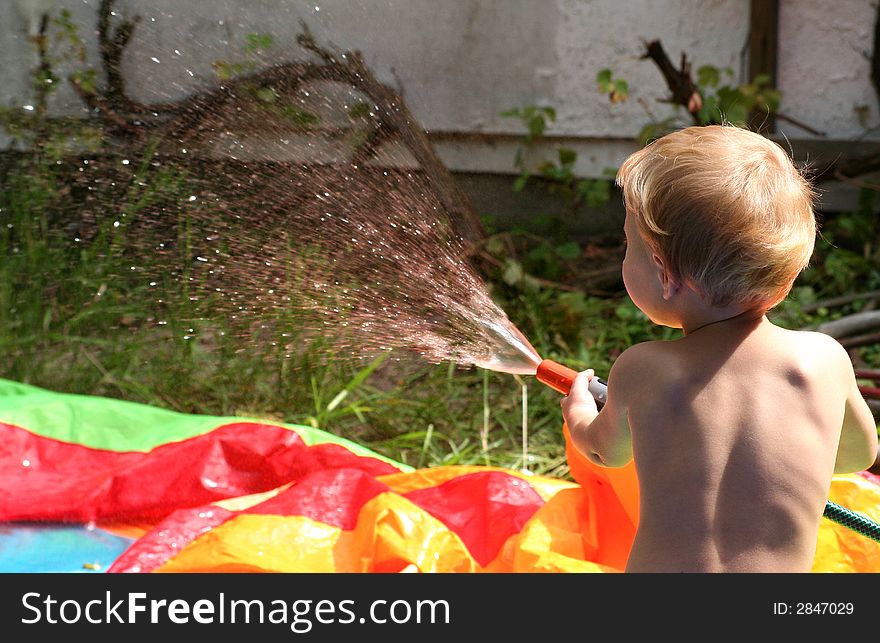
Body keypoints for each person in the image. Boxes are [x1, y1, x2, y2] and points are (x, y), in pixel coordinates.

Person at [560, 125, 879, 572]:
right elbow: (858, 457)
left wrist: (579, 411)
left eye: (627, 244)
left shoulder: (643, 369)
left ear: (663, 274)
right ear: (787, 277)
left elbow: (605, 452)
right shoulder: (823, 363)